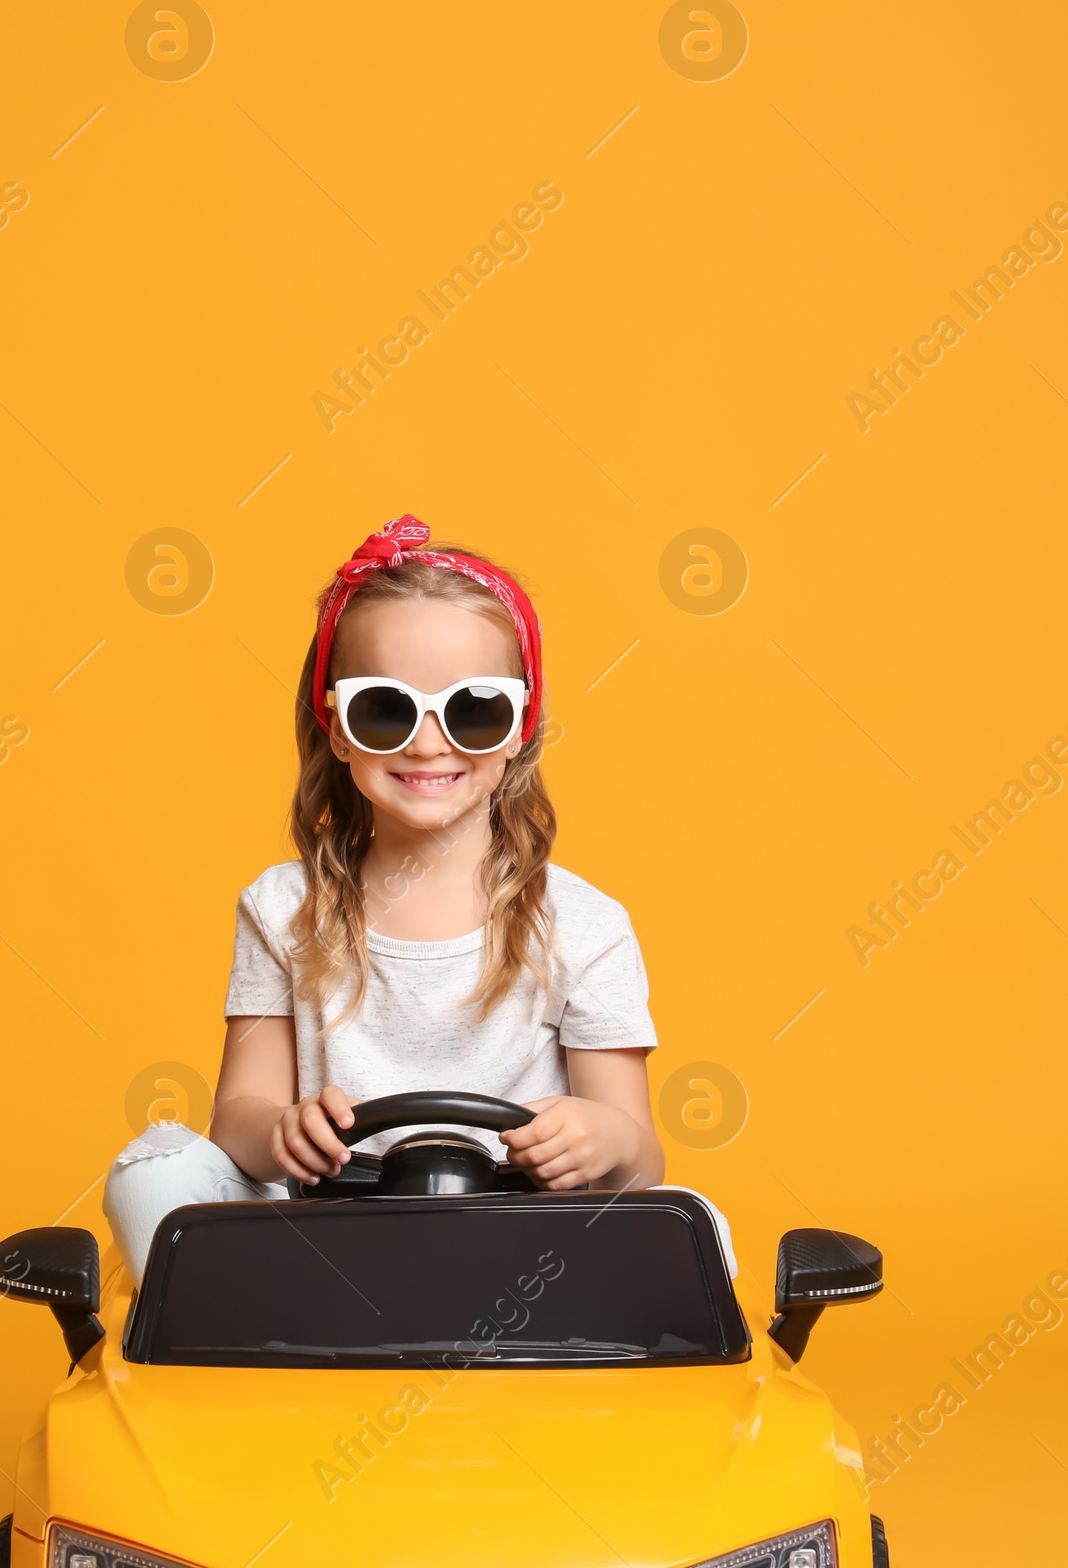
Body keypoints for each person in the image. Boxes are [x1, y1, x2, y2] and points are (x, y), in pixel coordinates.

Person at [103, 514, 728, 1283]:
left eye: (472, 711)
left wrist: (601, 1137)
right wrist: (280, 1131)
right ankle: (271, 1332)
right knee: (154, 1165)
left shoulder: (586, 924)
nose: (427, 744)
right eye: (385, 709)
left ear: (519, 726)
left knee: (702, 1227)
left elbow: (640, 1154)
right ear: (336, 727)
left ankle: (519, 1339)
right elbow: (237, 1115)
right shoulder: (281, 907)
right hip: (328, 1250)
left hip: (519, 1254)